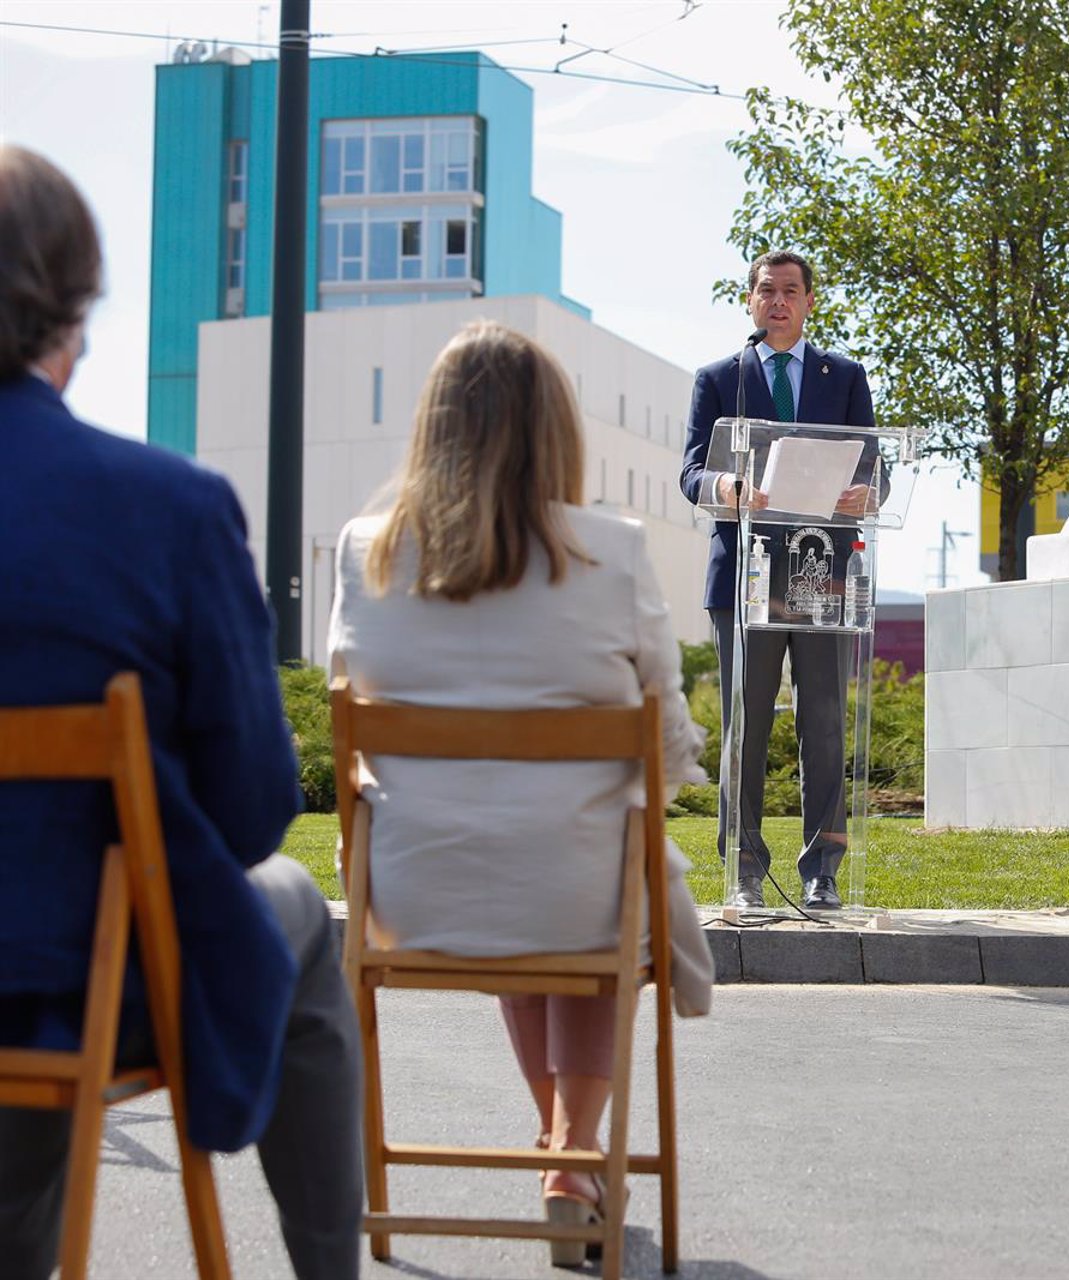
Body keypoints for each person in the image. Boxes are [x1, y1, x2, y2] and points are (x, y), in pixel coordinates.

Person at [0, 144, 364, 1279]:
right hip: (80, 985)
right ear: (78, 308)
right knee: (297, 909)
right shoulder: (168, 508)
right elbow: (253, 810)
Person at [330, 319, 715, 1265]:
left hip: (415, 892)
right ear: (556, 429)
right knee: (586, 868)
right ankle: (573, 1155)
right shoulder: (610, 552)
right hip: (574, 888)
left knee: (530, 861)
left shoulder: (366, 551)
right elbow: (666, 737)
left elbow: (346, 699)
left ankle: (563, 1148)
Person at [680, 249, 877, 910]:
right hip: (745, 575)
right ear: (750, 300)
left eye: (791, 291)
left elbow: (873, 467)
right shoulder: (720, 379)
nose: (779, 301)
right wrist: (726, 486)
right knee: (747, 726)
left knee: (823, 724)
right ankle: (744, 872)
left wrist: (867, 492)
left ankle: (823, 870)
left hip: (821, 574)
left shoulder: (844, 377)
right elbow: (691, 472)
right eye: (767, 290)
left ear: (810, 301)